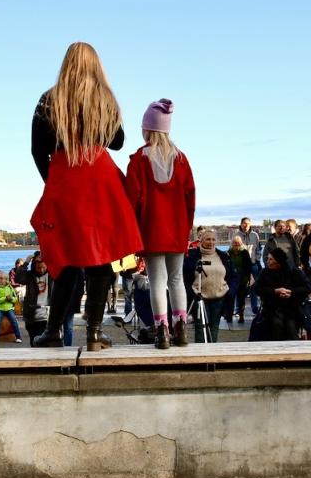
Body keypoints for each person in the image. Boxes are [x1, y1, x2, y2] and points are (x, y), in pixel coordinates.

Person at [29, 41, 143, 350]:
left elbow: (37, 150)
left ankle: (53, 331)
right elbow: (117, 142)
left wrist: (52, 183)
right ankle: (94, 332)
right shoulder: (104, 98)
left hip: (64, 178)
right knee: (101, 257)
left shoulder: (48, 100)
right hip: (98, 177)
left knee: (64, 258)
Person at [125, 98, 196, 348]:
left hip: (151, 230)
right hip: (177, 229)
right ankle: (181, 328)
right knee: (177, 279)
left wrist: (131, 234)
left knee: (157, 279)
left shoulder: (138, 160)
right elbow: (190, 198)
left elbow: (131, 201)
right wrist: (187, 229)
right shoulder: (181, 159)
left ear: (147, 129)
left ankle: (161, 329)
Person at [183, 230, 232, 343]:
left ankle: (212, 353)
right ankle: (200, 355)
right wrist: (190, 292)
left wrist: (230, 291)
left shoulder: (224, 256)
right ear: (201, 241)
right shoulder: (192, 256)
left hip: (219, 297)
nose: (211, 242)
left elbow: (233, 275)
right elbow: (184, 276)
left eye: (213, 239)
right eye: (208, 239)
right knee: (200, 328)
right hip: (199, 298)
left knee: (214, 327)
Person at [251, 248, 310, 341]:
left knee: (290, 327)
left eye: (271, 259)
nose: (268, 262)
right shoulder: (265, 272)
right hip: (271, 309)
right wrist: (274, 291)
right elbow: (257, 289)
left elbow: (307, 288)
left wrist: (291, 292)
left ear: (278, 262)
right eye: (268, 259)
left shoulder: (294, 272)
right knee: (276, 326)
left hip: (291, 309)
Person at [18, 253, 52, 345]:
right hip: (32, 316)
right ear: (34, 266)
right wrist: (26, 263)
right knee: (34, 342)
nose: (41, 270)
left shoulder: (51, 275)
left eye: (43, 268)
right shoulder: (29, 276)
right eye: (38, 268)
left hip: (47, 316)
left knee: (47, 344)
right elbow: (19, 278)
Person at [235, 217, 261, 316]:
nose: (246, 225)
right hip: (240, 266)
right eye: (244, 223)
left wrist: (257, 259)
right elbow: (232, 249)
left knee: (253, 287)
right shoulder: (236, 235)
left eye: (248, 224)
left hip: (253, 264)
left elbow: (258, 249)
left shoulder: (255, 235)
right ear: (241, 224)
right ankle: (238, 309)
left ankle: (255, 308)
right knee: (239, 288)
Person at [0, 272, 23, 345]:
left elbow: (15, 299)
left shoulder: (10, 287)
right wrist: (5, 298)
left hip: (9, 308)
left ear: (6, 280)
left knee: (14, 321)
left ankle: (18, 337)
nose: (0, 280)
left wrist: (11, 299)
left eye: (2, 278)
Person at [227, 236, 252, 325]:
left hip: (242, 278)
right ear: (232, 243)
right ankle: (229, 316)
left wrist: (248, 278)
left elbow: (249, 267)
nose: (236, 244)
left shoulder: (245, 252)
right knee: (230, 297)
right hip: (231, 279)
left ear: (241, 243)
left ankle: (241, 315)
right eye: (234, 243)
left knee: (241, 299)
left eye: (238, 243)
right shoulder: (228, 253)